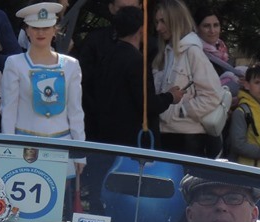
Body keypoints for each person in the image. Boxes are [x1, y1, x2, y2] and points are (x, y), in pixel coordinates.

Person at [91, 6, 181, 148]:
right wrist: (171, 97)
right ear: (141, 30)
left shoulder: (105, 57)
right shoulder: (137, 61)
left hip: (106, 137)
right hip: (132, 143)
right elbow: (148, 104)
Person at [152, 0, 226, 158]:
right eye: (157, 22)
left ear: (176, 20)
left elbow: (212, 95)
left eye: (163, 21)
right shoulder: (164, 53)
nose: (158, 27)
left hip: (189, 140)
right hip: (164, 135)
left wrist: (181, 111)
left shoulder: (193, 52)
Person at [2, 2, 84, 142]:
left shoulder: (71, 65)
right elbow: (8, 110)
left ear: (54, 30)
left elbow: (75, 111)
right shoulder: (14, 63)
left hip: (63, 144)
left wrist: (79, 152)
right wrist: (8, 147)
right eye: (35, 28)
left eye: (46, 28)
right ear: (27, 30)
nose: (41, 33)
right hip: (24, 144)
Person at [75, 0, 141, 144]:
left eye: (132, 9)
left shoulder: (150, 45)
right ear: (111, 8)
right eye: (122, 9)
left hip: (135, 132)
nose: (127, 15)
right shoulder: (95, 41)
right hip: (97, 127)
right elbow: (83, 82)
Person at [193, 5, 242, 97]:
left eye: (216, 25)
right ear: (197, 28)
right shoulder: (195, 53)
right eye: (206, 26)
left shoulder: (222, 49)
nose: (212, 31)